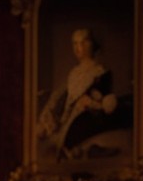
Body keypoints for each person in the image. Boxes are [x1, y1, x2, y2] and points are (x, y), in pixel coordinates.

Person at [37, 28, 131, 161]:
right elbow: (62, 96)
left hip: (87, 116)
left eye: (82, 43)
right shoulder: (73, 73)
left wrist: (90, 103)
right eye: (75, 43)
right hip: (67, 118)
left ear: (91, 45)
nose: (78, 48)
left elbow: (102, 100)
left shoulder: (100, 72)